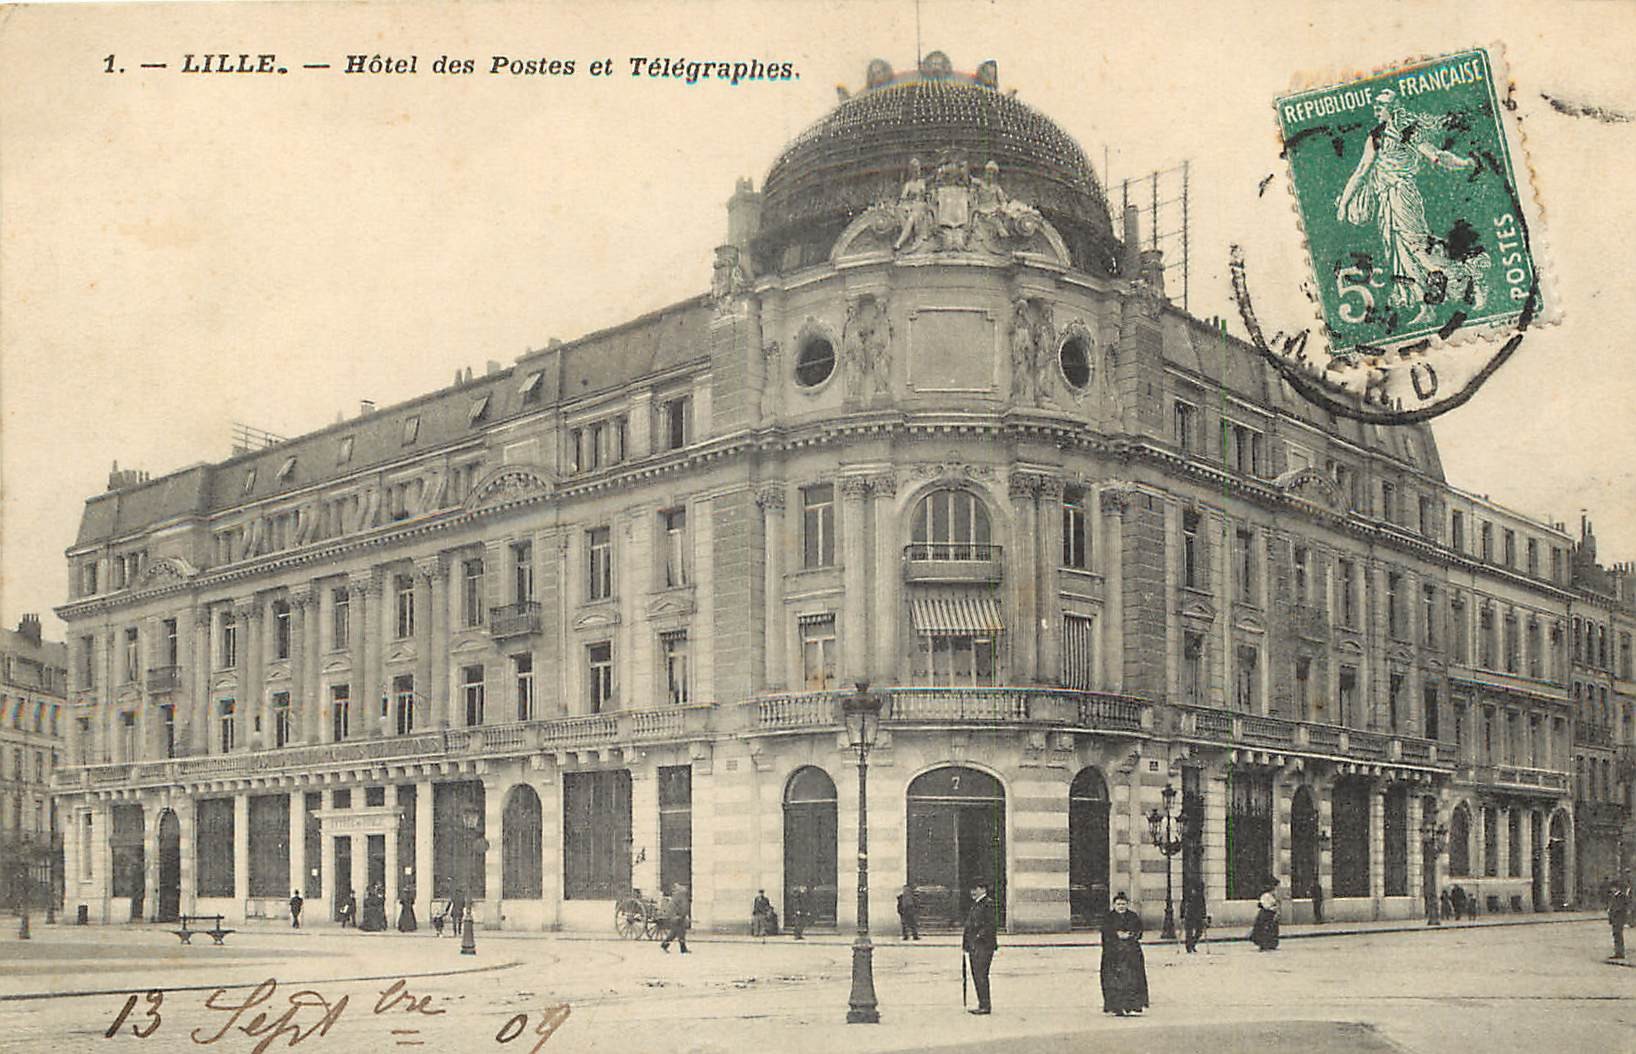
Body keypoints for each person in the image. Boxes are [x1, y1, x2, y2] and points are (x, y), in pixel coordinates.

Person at [1100, 891, 1149, 1017]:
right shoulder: (1108, 918)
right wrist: (1116, 935)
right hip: (1114, 955)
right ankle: (1117, 1007)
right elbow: (1105, 934)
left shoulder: (1133, 916)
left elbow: (1139, 931)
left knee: (1132, 980)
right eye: (1118, 904)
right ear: (1114, 905)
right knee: (1115, 982)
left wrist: (1130, 935)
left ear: (1127, 905)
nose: (1121, 906)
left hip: (1131, 954)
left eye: (1123, 904)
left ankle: (1132, 1006)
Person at [962, 882, 998, 1015]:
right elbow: (969, 926)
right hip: (974, 946)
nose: (972, 892)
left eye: (975, 889)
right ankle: (982, 1003)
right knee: (977, 975)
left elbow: (990, 925)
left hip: (983, 946)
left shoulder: (987, 904)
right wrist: (966, 944)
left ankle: (985, 1005)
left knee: (981, 975)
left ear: (983, 889)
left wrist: (977, 937)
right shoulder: (977, 904)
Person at [660, 883, 691, 954]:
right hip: (677, 918)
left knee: (677, 933)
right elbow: (682, 907)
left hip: (678, 917)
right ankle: (682, 948)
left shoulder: (678, 896)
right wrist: (679, 916)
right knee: (679, 932)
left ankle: (666, 945)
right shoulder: (680, 897)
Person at [1250, 879, 1280, 951]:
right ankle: (1264, 944)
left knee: (1271, 929)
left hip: (1271, 914)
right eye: (1275, 887)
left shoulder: (1272, 895)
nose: (1276, 889)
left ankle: (1271, 944)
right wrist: (1274, 907)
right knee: (1265, 929)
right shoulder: (1266, 896)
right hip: (1266, 914)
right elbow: (1266, 906)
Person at [1608, 869, 1631, 960]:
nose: (1611, 889)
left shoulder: (1621, 896)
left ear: (1616, 888)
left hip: (1618, 919)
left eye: (1612, 888)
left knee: (1618, 936)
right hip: (1615, 919)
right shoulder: (1614, 896)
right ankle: (1617, 952)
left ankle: (1620, 953)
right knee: (1616, 936)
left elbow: (1621, 908)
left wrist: (1614, 912)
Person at [1181, 880, 1207, 953]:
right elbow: (1183, 904)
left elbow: (1203, 906)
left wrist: (1204, 916)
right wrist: (1182, 915)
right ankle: (1189, 946)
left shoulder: (1201, 896)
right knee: (1189, 932)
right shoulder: (1188, 895)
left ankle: (1192, 944)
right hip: (1190, 915)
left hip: (1198, 916)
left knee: (1199, 931)